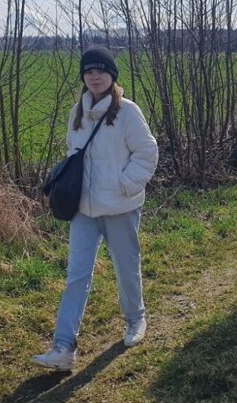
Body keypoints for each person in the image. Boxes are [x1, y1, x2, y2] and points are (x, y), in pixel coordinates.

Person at [32, 47, 160, 371]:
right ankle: (63, 347)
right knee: (76, 275)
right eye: (89, 71)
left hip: (120, 206)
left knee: (126, 267)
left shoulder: (127, 112)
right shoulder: (77, 112)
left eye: (101, 70)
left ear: (112, 75)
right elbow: (72, 152)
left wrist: (125, 184)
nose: (95, 76)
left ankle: (136, 320)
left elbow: (147, 152)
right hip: (83, 210)